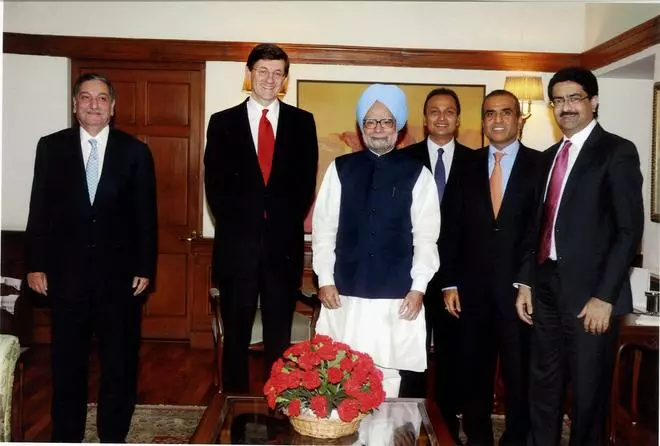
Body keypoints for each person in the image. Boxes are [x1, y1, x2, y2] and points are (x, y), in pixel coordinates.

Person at [515, 67, 644, 446]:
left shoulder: (617, 151)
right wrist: (526, 282)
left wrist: (605, 297)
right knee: (543, 386)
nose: (566, 107)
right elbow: (536, 228)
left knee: (588, 394)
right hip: (546, 288)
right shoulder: (550, 157)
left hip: (592, 298)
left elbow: (628, 231)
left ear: (594, 102)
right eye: (558, 100)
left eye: (575, 98)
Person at [25, 73, 157, 442]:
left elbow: (146, 216)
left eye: (102, 99)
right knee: (67, 366)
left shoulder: (135, 152)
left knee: (119, 367)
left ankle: (113, 435)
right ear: (74, 105)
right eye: (86, 98)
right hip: (65, 280)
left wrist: (146, 268)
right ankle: (66, 436)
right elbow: (39, 208)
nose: (94, 104)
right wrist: (35, 263)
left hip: (120, 283)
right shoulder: (51, 148)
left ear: (113, 107)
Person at [312, 83, 440, 397]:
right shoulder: (340, 169)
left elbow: (426, 237)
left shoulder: (417, 173)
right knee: (341, 373)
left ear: (398, 127)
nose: (378, 129)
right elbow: (324, 228)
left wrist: (419, 288)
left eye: (386, 121)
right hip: (345, 291)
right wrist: (325, 279)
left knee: (388, 376)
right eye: (371, 121)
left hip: (396, 295)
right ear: (361, 126)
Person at [204, 43, 319, 393]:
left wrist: (277, 227)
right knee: (236, 338)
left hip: (282, 252)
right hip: (237, 251)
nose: (270, 79)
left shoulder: (302, 123)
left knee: (279, 340)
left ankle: (280, 407)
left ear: (285, 79)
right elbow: (216, 188)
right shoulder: (223, 123)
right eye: (263, 71)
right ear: (249, 73)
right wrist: (246, 230)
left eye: (277, 73)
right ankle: (233, 410)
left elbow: (303, 188)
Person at [441, 89, 542, 446]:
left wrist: (527, 280)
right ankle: (479, 437)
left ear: (519, 119)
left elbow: (542, 231)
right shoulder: (465, 164)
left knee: (518, 373)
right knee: (474, 371)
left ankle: (516, 438)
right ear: (481, 121)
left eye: (505, 113)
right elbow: (450, 226)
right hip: (471, 291)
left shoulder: (540, 165)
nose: (497, 120)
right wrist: (449, 281)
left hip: (519, 292)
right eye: (489, 114)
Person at [401, 87, 473, 444]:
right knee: (412, 351)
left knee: (451, 354)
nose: (441, 117)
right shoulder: (406, 159)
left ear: (458, 120)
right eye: (434, 111)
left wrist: (455, 279)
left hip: (455, 279)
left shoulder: (476, 163)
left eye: (449, 111)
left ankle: (445, 425)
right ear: (424, 119)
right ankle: (408, 422)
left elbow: (477, 228)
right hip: (413, 275)